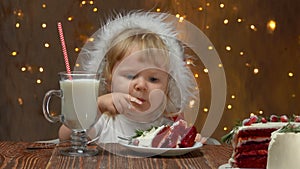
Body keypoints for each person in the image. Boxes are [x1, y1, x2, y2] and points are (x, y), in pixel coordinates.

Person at [59, 11, 200, 143]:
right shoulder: (103, 121)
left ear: (167, 88)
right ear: (109, 81)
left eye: (153, 79)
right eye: (131, 75)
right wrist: (97, 106)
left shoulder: (166, 128)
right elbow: (65, 137)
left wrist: (190, 142)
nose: (141, 85)